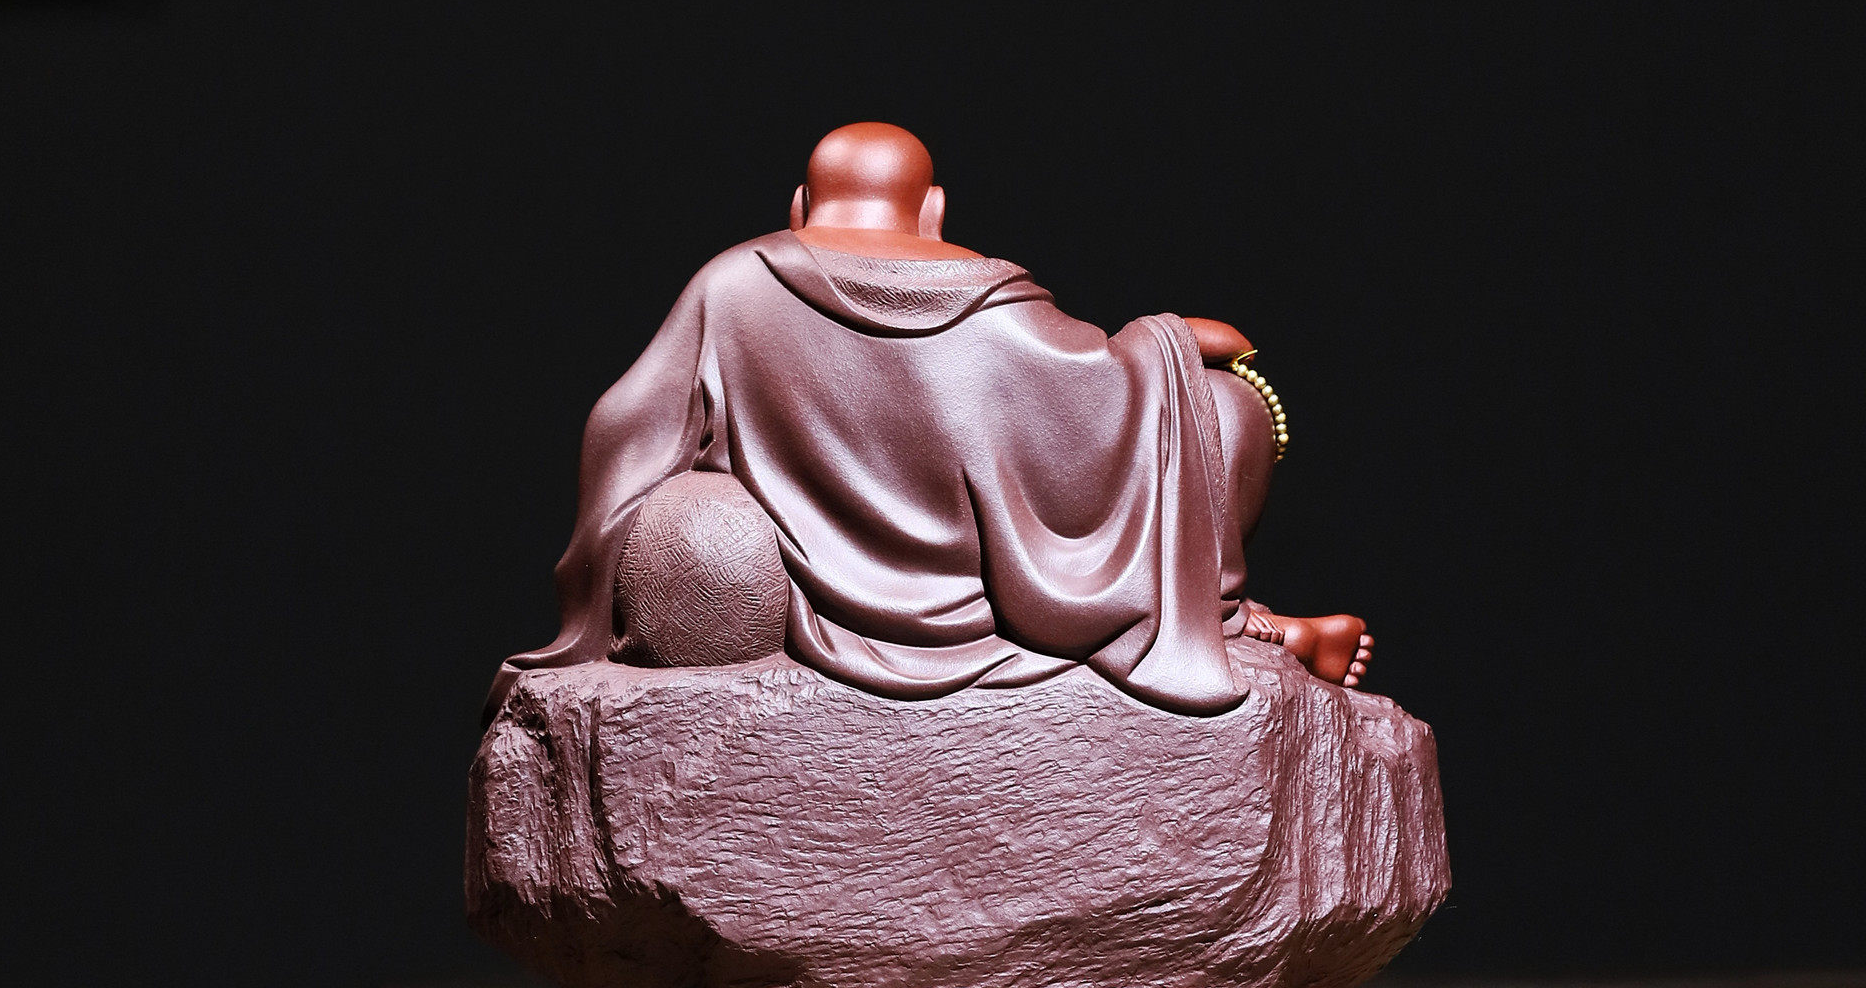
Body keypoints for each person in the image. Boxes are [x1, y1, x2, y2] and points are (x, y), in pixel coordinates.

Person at [491, 122, 1370, 721]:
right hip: (1003, 591)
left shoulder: (731, 284)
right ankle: (1224, 616)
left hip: (827, 587)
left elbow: (624, 426)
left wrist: (604, 579)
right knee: (1227, 409)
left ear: (799, 206)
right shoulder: (989, 294)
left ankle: (1243, 622)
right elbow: (1093, 392)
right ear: (934, 208)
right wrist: (1167, 343)